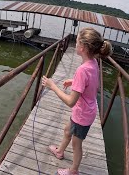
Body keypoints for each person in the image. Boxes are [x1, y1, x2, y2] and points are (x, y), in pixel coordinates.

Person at [41, 27, 112, 175]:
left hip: (83, 114)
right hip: (86, 111)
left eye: (77, 41)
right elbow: (91, 84)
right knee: (67, 130)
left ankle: (73, 171)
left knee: (76, 144)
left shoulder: (82, 69)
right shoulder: (93, 64)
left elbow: (70, 102)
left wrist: (52, 86)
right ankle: (60, 151)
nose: (75, 43)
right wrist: (74, 82)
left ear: (83, 47)